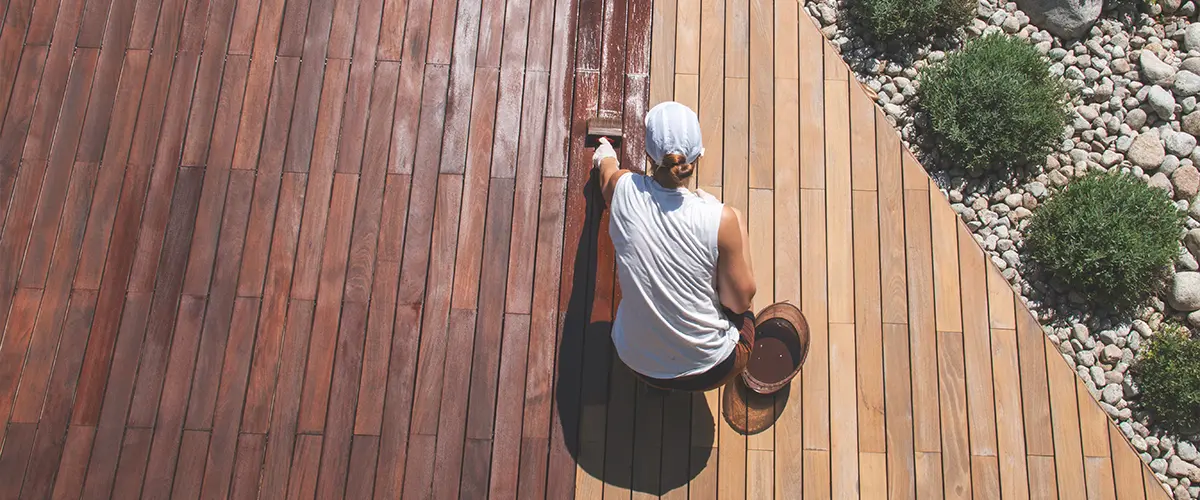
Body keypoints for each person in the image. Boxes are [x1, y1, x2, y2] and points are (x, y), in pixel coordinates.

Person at [591, 101, 757, 392]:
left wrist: (604, 151)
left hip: (636, 361)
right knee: (742, 294)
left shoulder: (623, 190)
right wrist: (734, 222)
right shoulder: (719, 218)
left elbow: (607, 174)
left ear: (648, 155)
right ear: (697, 157)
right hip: (712, 368)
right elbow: (739, 303)